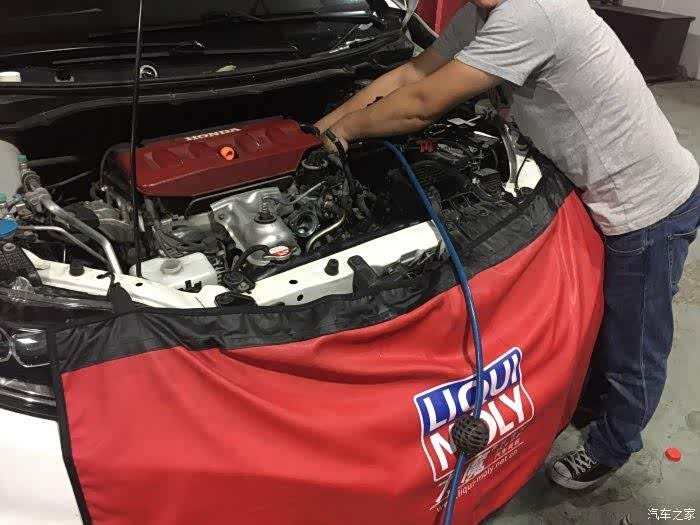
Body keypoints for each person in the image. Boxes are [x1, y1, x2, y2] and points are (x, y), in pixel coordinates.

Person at [315, 0, 700, 490]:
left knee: (636, 341)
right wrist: (325, 127)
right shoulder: (479, 15)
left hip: (647, 209)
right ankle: (593, 400)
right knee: (605, 314)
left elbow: (422, 102)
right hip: (605, 194)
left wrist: (349, 129)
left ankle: (613, 445)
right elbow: (413, 72)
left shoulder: (532, 12)